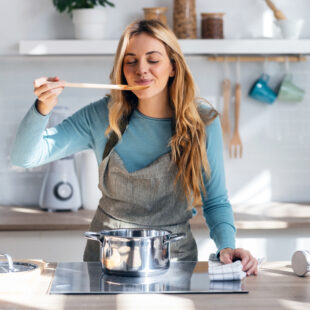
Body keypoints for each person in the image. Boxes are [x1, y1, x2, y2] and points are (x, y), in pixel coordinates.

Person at [11, 19, 258, 276]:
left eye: (153, 60)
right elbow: (24, 157)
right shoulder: (101, 116)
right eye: (131, 61)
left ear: (173, 66)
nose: (142, 69)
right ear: (122, 69)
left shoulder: (202, 121)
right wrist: (42, 108)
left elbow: (215, 201)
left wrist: (227, 247)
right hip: (106, 263)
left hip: (173, 263)